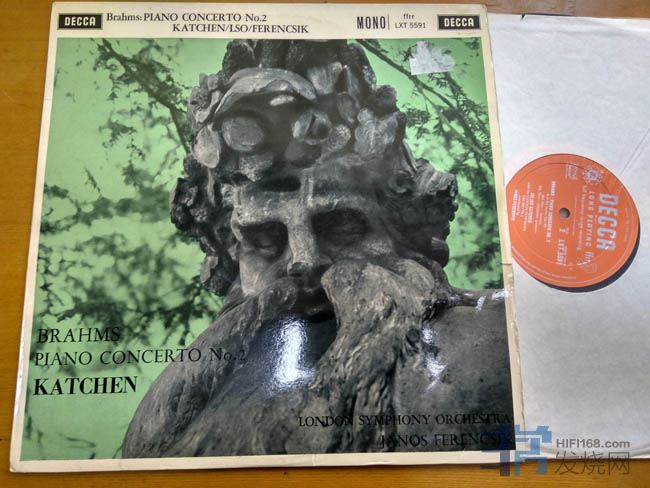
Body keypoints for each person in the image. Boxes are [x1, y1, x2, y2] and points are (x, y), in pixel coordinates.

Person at [122, 40, 514, 458]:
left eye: (341, 226)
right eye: (265, 239)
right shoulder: (184, 408)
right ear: (230, 258)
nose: (305, 259)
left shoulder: (497, 346)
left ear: (403, 231)